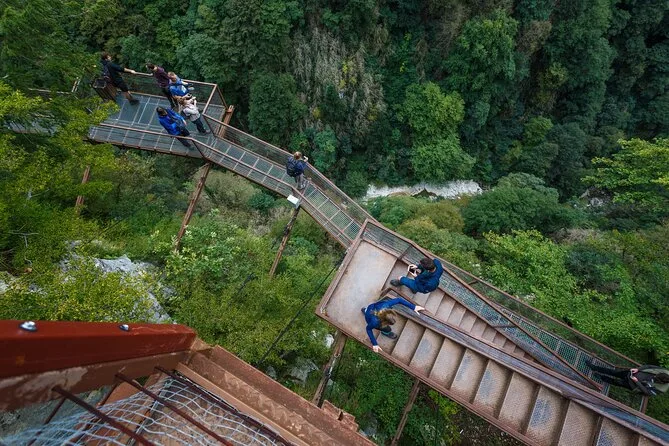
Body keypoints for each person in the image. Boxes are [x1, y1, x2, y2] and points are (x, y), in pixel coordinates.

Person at [587, 362, 669, 396]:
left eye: (656, 378)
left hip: (632, 384)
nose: (654, 376)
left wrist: (636, 382)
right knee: (613, 372)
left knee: (616, 382)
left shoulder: (661, 389)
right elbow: (650, 366)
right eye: (656, 375)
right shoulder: (665, 372)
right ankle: (594, 367)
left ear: (661, 382)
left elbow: (646, 392)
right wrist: (638, 369)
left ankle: (601, 377)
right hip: (632, 373)